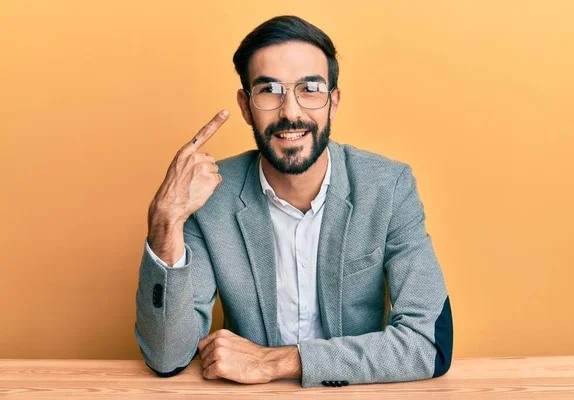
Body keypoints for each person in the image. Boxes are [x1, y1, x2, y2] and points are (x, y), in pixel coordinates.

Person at [134, 15, 453, 388]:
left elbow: (429, 343)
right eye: (269, 90)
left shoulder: (388, 186)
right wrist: (164, 220)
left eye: (310, 89)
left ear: (333, 102)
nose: (290, 112)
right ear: (245, 104)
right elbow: (166, 356)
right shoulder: (210, 196)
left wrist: (279, 361)